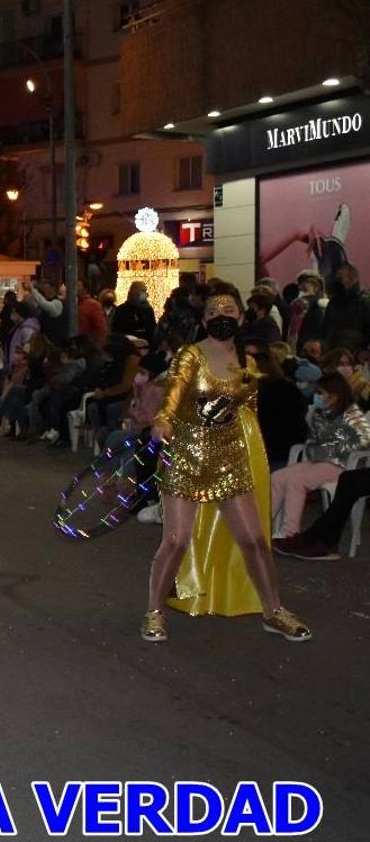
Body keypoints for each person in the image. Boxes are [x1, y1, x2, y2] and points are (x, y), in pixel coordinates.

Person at [142, 283, 311, 643]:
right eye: (213, 314)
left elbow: (247, 414)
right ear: (204, 320)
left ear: (241, 316)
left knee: (253, 539)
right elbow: (173, 392)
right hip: (185, 456)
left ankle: (273, 610)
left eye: (228, 312)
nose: (221, 318)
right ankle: (154, 612)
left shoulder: (248, 364)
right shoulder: (190, 355)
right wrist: (163, 419)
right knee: (176, 539)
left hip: (229, 458)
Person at [270, 372, 370, 539]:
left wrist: (331, 449)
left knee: (297, 482)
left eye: (320, 393)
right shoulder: (320, 413)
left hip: (343, 465)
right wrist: (312, 449)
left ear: (334, 396)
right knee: (277, 477)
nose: (316, 396)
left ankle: (289, 532)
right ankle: (263, 527)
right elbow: (313, 439)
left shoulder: (352, 413)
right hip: (318, 461)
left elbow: (366, 439)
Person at [321, 263, 370, 353]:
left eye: (340, 278)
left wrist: (362, 350)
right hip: (331, 351)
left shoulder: (364, 301)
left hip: (353, 352)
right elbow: (326, 325)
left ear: (353, 278)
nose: (337, 281)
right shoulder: (334, 301)